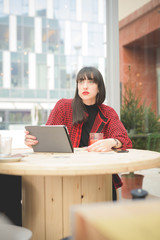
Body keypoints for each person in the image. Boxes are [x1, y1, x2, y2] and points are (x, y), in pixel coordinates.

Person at [25, 66, 132, 199]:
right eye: (81, 82)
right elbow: (48, 136)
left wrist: (112, 142)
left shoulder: (108, 113)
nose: (85, 86)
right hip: (66, 174)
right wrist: (35, 141)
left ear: (99, 87)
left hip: (99, 175)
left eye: (91, 82)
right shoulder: (63, 107)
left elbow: (125, 140)